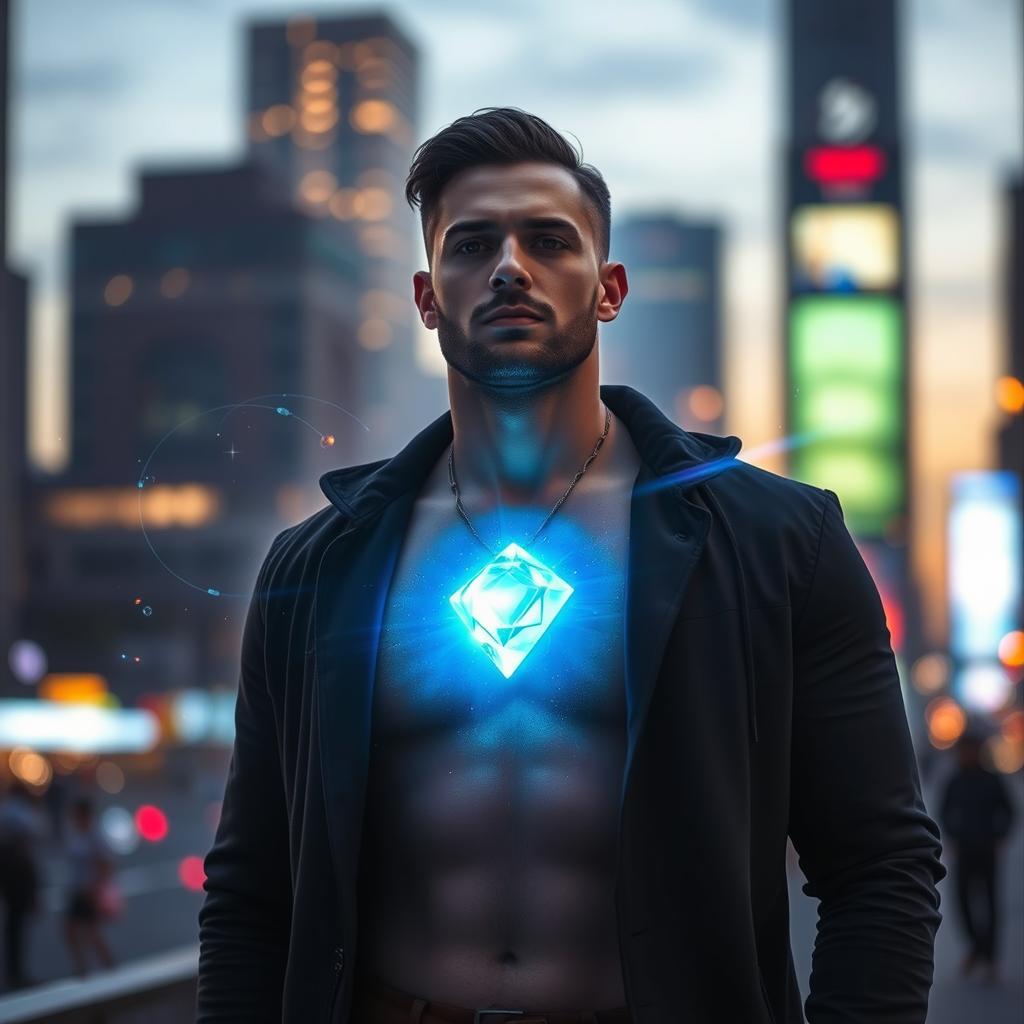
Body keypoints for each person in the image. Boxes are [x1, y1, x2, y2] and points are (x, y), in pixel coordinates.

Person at [198, 107, 946, 1023]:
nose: (510, 267)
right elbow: (250, 897)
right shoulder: (314, 573)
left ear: (609, 287)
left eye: (548, 240)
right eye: (473, 245)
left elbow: (880, 866)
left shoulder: (778, 543)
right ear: (428, 298)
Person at [938, 731, 1015, 983]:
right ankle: (977, 947)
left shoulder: (991, 780)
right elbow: (944, 812)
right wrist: (951, 836)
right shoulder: (955, 781)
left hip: (987, 851)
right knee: (962, 903)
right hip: (964, 851)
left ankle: (989, 958)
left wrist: (1000, 837)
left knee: (990, 903)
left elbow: (1009, 810)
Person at [0, 780, 46, 990]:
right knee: (19, 922)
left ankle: (13, 970)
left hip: (7, 869)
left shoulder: (5, 809)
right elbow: (39, 830)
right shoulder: (21, 813)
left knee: (13, 922)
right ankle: (17, 972)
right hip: (20, 871)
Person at [62, 796, 116, 976]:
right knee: (74, 931)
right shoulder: (78, 834)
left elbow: (106, 865)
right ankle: (83, 969)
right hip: (78, 890)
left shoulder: (95, 836)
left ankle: (108, 969)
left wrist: (96, 887)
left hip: (89, 892)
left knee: (91, 933)